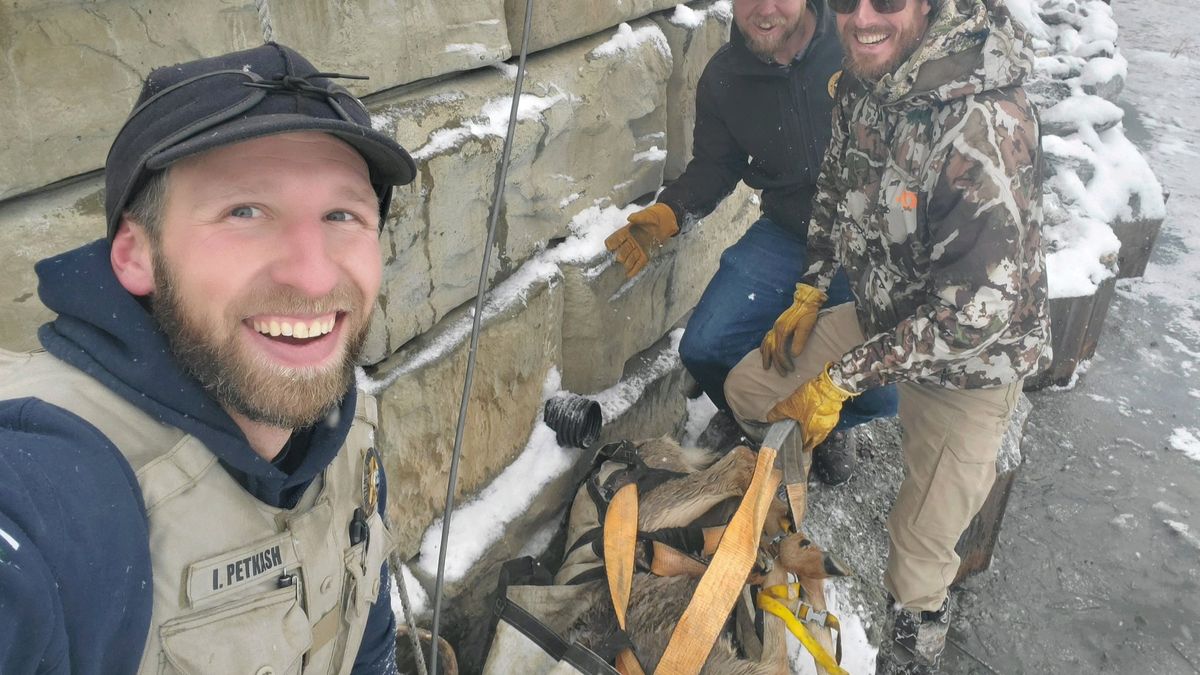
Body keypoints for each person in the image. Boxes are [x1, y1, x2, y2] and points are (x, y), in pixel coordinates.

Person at [0, 43, 417, 674]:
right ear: (134, 256)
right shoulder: (60, 486)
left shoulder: (342, 431)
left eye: (342, 214)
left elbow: (366, 634)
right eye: (244, 211)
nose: (311, 275)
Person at [722, 0, 1051, 671]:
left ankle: (911, 649)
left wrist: (838, 381)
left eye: (887, 2)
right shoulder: (865, 85)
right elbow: (835, 189)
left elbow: (974, 311)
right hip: (885, 314)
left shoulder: (982, 124)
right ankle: (807, 477)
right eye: (847, 2)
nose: (863, 18)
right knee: (750, 386)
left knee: (921, 548)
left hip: (974, 362)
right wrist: (811, 290)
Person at [604, 0, 898, 483]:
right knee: (704, 345)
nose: (764, 10)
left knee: (887, 391)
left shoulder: (856, 43)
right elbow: (717, 164)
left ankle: (828, 425)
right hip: (786, 233)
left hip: (870, 242)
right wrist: (671, 210)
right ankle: (752, 419)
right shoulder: (725, 79)